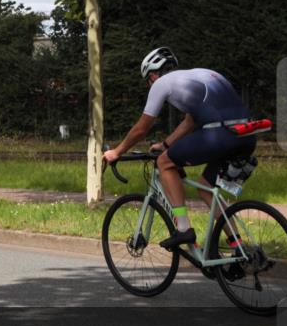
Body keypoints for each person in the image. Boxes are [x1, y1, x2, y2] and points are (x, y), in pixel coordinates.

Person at [103, 47, 257, 251]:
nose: (150, 84)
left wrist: (117, 152)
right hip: (247, 134)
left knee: (164, 163)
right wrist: (166, 145)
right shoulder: (203, 74)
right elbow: (191, 121)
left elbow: (142, 128)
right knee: (206, 187)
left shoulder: (161, 83)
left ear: (153, 74)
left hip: (219, 135)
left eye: (148, 80)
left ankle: (183, 229)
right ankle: (239, 246)